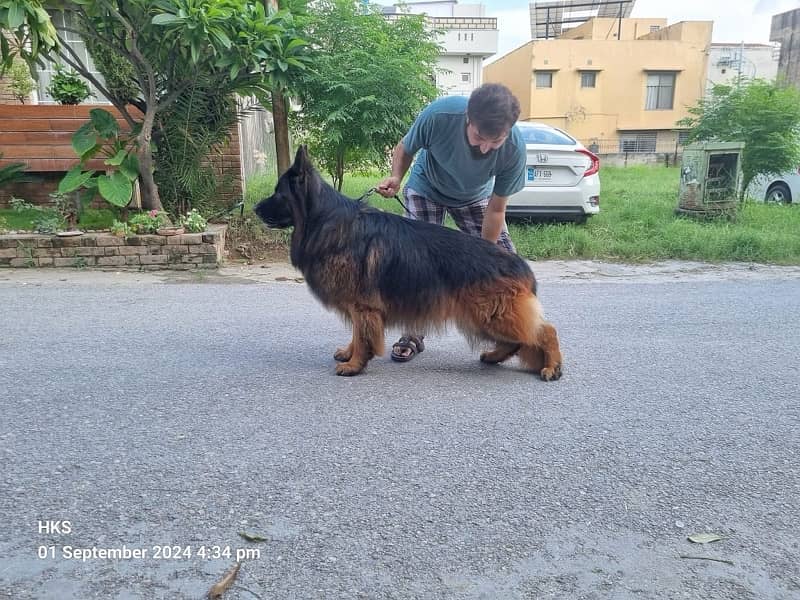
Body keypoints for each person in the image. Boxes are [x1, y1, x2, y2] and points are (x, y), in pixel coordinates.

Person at [376, 82, 527, 362]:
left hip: (475, 197)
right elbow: (405, 147)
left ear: (507, 132)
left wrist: (484, 256)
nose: (485, 148)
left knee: (506, 262)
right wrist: (396, 177)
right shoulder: (440, 116)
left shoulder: (515, 149)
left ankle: (509, 334)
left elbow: (496, 210)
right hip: (426, 188)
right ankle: (413, 331)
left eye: (495, 142)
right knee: (418, 265)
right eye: (479, 137)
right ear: (469, 119)